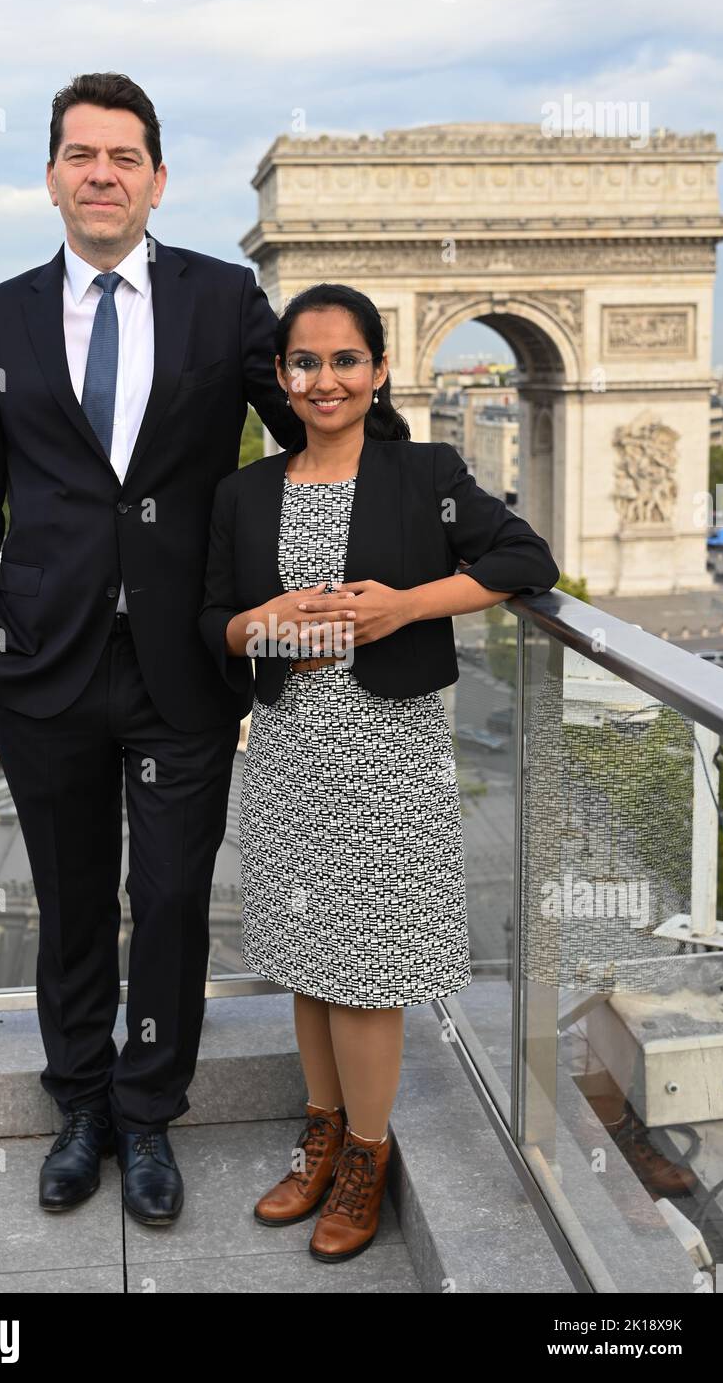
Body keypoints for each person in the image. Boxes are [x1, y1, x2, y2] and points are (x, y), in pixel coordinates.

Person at [0, 72, 302, 1227]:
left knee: (178, 898)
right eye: (82, 154)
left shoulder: (226, 300)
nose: (103, 173)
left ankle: (149, 1110)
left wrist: (440, 509)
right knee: (75, 899)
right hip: (43, 664)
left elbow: (317, 428)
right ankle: (81, 1104)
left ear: (156, 179)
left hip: (182, 666)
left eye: (124, 155)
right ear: (52, 174)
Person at [198, 283, 560, 1262]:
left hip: (387, 756)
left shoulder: (428, 472)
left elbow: (528, 559)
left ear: (380, 369)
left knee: (366, 974)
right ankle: (320, 1137)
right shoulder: (245, 492)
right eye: (305, 362)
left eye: (346, 360)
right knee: (310, 961)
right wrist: (274, 625)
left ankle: (366, 1153)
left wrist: (404, 608)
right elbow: (216, 625)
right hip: (286, 757)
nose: (326, 379)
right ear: (281, 376)